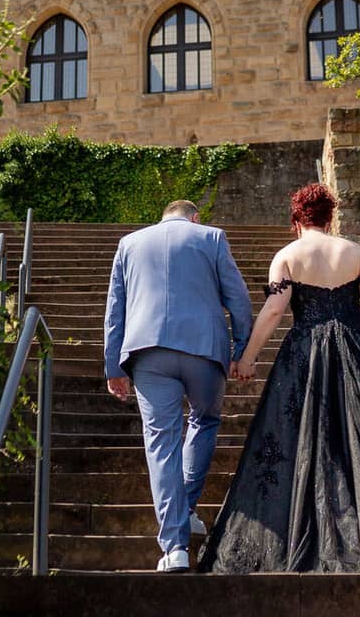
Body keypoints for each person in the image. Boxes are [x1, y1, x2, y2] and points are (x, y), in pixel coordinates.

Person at [197, 183, 360, 573]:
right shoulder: (353, 251)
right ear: (330, 217)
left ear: (295, 219)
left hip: (305, 352)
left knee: (308, 434)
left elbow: (274, 311)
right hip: (358, 350)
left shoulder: (287, 255)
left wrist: (247, 358)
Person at [103, 199, 254, 574]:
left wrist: (112, 366)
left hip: (148, 351)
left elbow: (115, 309)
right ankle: (185, 509)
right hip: (204, 349)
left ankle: (174, 548)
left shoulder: (130, 243)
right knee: (204, 421)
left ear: (164, 214)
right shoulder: (213, 237)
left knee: (160, 442)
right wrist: (242, 348)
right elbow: (238, 297)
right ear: (195, 217)